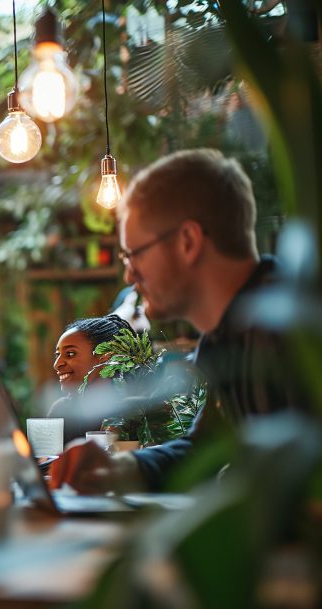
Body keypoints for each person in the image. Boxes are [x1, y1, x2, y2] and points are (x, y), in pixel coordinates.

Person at [50, 148, 301, 493]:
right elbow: (201, 448)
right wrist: (120, 465)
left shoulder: (294, 327)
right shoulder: (222, 338)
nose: (128, 275)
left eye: (134, 254)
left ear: (188, 242)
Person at [48, 314, 137, 442]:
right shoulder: (61, 411)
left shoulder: (137, 410)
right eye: (57, 355)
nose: (57, 365)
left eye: (70, 354)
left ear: (105, 357)